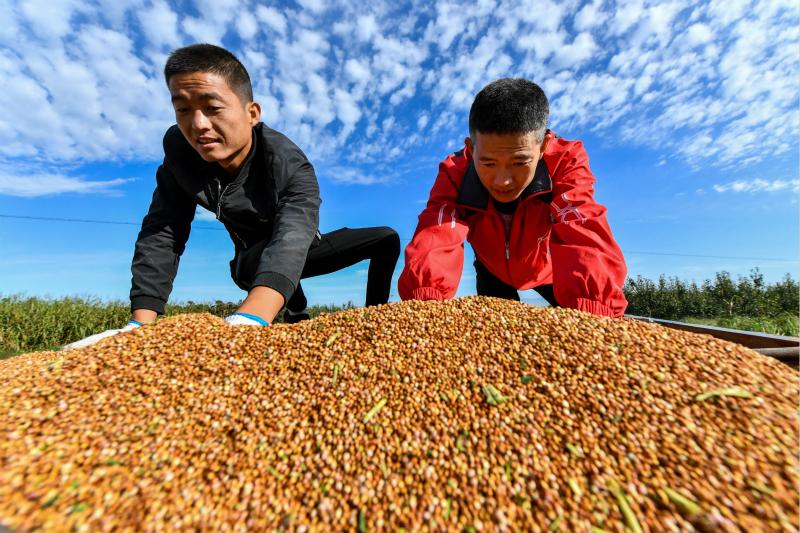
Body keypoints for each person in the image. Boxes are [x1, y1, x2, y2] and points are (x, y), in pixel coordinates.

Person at [64, 44, 399, 349]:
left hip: (300, 249)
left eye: (212, 107)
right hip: (247, 266)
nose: (198, 125)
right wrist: (141, 322)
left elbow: (294, 228)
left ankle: (369, 319)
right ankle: (294, 310)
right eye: (182, 109)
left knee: (386, 237)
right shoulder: (181, 160)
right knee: (263, 249)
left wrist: (253, 316)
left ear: (252, 113)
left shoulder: (288, 162)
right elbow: (163, 231)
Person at [398, 78, 627, 317]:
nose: (502, 181)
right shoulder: (455, 171)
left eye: (519, 162)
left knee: (587, 313)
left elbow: (580, 222)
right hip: (490, 271)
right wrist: (423, 305)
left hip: (547, 272)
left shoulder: (563, 160)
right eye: (487, 162)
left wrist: (595, 309)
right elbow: (437, 230)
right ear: (471, 148)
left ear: (542, 146)